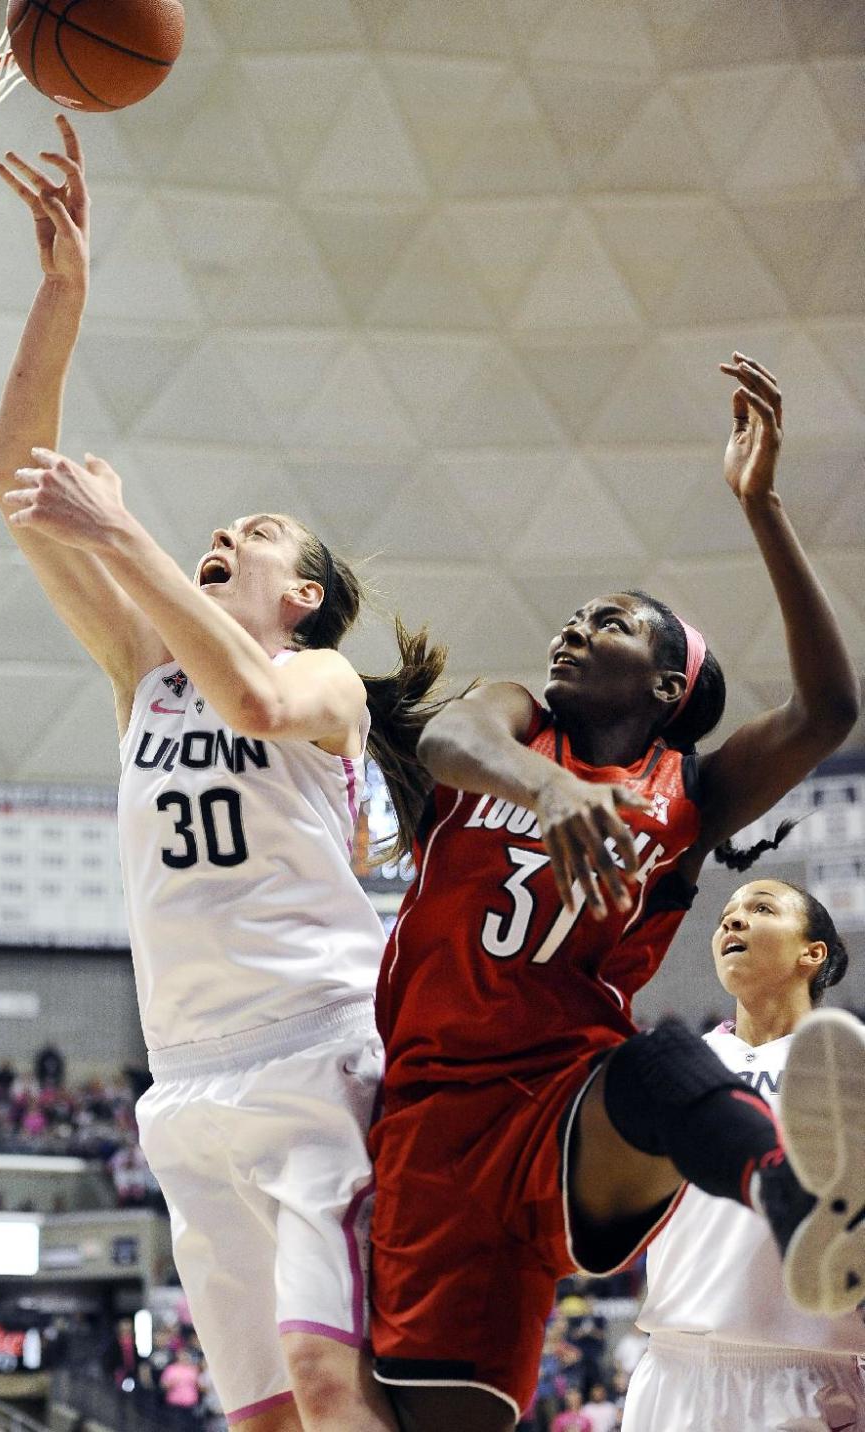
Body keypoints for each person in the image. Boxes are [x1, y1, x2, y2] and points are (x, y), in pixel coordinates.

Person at [0, 115, 447, 1432]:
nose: (220, 534)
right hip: (184, 1083)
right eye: (216, 529)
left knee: (324, 1377)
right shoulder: (145, 667)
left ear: (304, 594)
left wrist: (124, 530)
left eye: (251, 535)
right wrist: (65, 291)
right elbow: (8, 474)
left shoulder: (326, 686)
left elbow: (249, 692)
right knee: (258, 1419)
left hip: (318, 1051)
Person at [368, 353, 864, 1431]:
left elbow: (829, 711)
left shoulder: (689, 793)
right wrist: (542, 783)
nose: (572, 628)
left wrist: (763, 506)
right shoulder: (513, 720)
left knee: (658, 1061)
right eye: (576, 615)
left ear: (668, 686)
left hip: (568, 1099)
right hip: (434, 1119)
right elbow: (446, 738)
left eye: (610, 623)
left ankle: (796, 1199)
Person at [621, 879, 865, 1431]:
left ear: (812, 952)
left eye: (760, 908)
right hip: (672, 1372)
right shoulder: (679, 1066)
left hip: (808, 1377)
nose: (732, 921)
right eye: (726, 915)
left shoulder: (851, 1065)